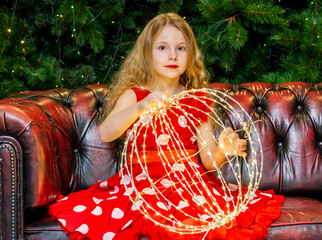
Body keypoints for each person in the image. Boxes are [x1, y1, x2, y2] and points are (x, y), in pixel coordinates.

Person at [49, 13, 284, 240]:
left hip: (190, 184)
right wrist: (141, 107)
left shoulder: (196, 101)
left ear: (190, 54)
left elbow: (209, 161)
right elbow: (106, 133)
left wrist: (223, 150)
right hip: (143, 184)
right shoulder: (136, 95)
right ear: (147, 53)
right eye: (162, 48)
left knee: (204, 221)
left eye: (180, 48)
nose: (172, 56)